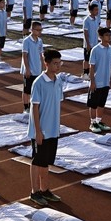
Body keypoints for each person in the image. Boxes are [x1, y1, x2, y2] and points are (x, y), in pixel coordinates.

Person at [29, 49, 65, 207]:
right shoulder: (39, 82)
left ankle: (45, 190)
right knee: (37, 161)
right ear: (47, 63)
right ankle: (34, 191)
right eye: (55, 63)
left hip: (53, 130)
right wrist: (38, 131)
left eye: (59, 63)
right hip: (41, 131)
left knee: (47, 162)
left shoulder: (58, 81)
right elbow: (34, 108)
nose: (58, 66)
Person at [87, 27, 111, 134]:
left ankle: (99, 121)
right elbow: (91, 67)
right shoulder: (95, 50)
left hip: (106, 81)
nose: (109, 37)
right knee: (93, 104)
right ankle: (92, 122)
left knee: (101, 103)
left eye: (110, 35)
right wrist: (92, 82)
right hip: (97, 82)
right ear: (100, 37)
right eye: (107, 35)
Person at [20, 21, 45, 114]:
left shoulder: (40, 41)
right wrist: (27, 69)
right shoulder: (27, 41)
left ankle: (34, 106)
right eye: (38, 30)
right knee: (27, 90)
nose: (40, 32)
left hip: (37, 69)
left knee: (36, 90)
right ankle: (26, 107)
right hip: (29, 70)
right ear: (32, 30)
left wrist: (43, 66)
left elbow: (40, 55)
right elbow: (24, 55)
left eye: (41, 30)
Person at [82, 2, 100, 78]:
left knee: (93, 59)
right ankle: (85, 73)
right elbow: (85, 32)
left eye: (97, 10)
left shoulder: (96, 19)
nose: (97, 11)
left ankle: (90, 73)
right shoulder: (87, 20)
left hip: (95, 43)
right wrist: (88, 44)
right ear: (91, 11)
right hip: (88, 44)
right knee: (86, 59)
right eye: (95, 10)